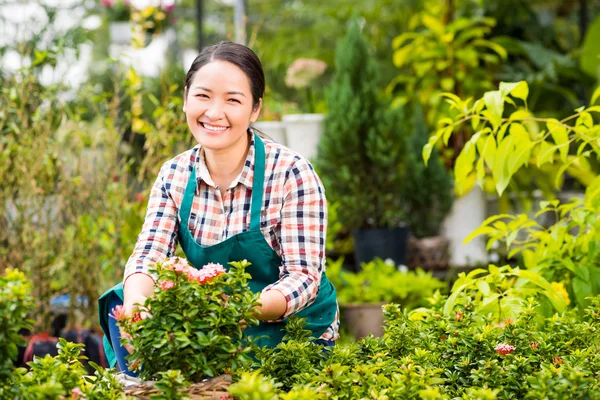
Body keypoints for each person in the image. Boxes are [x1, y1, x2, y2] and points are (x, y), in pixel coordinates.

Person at [98, 41, 339, 376]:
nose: (213, 112)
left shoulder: (290, 173)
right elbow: (149, 255)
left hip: (289, 328)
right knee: (119, 299)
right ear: (185, 99)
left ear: (255, 109)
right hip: (216, 326)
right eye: (203, 95)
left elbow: (304, 278)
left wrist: (237, 310)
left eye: (233, 100)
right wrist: (138, 305)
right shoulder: (175, 175)